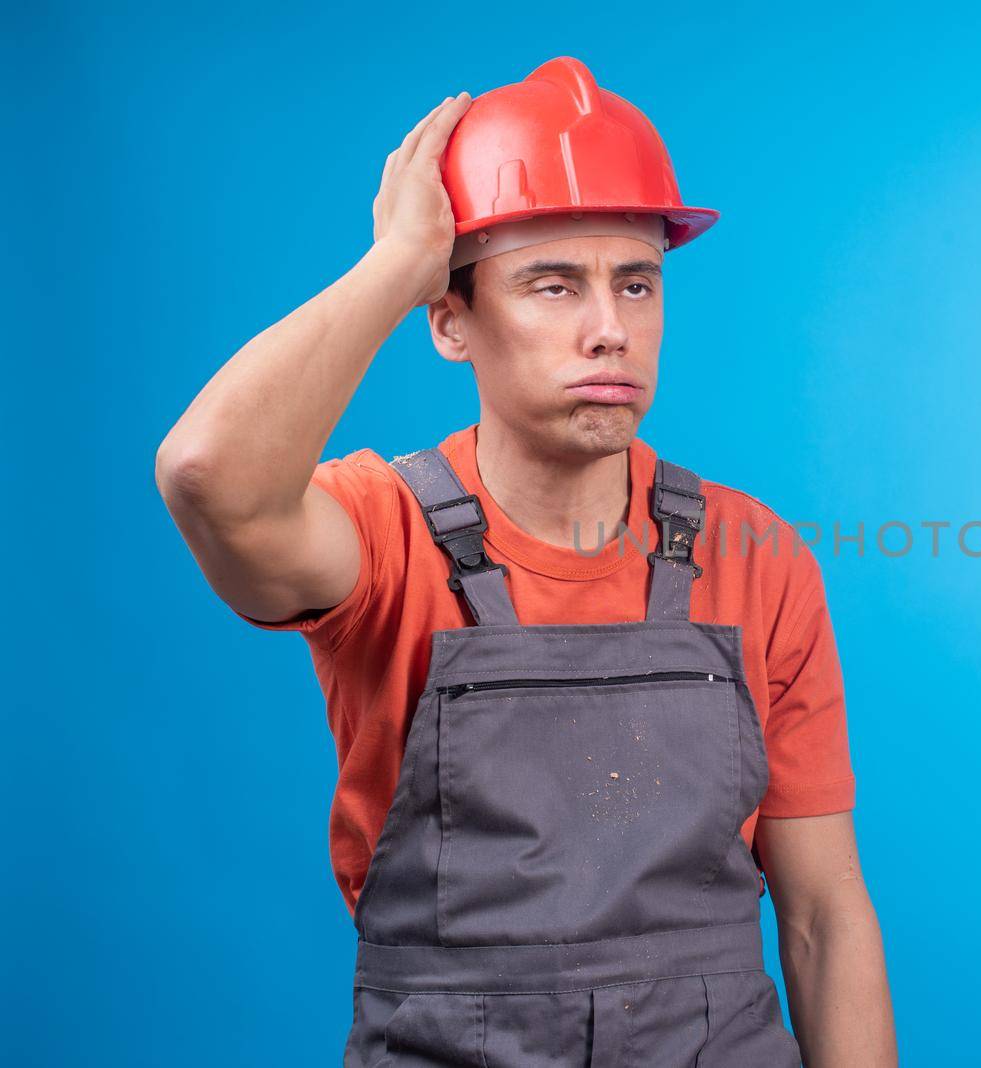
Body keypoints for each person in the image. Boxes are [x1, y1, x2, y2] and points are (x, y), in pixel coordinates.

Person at [155, 57, 896, 1066]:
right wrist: (398, 260)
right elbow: (209, 476)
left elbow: (821, 918)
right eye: (552, 284)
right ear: (450, 319)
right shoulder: (378, 532)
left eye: (636, 283)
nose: (609, 329)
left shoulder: (754, 554)